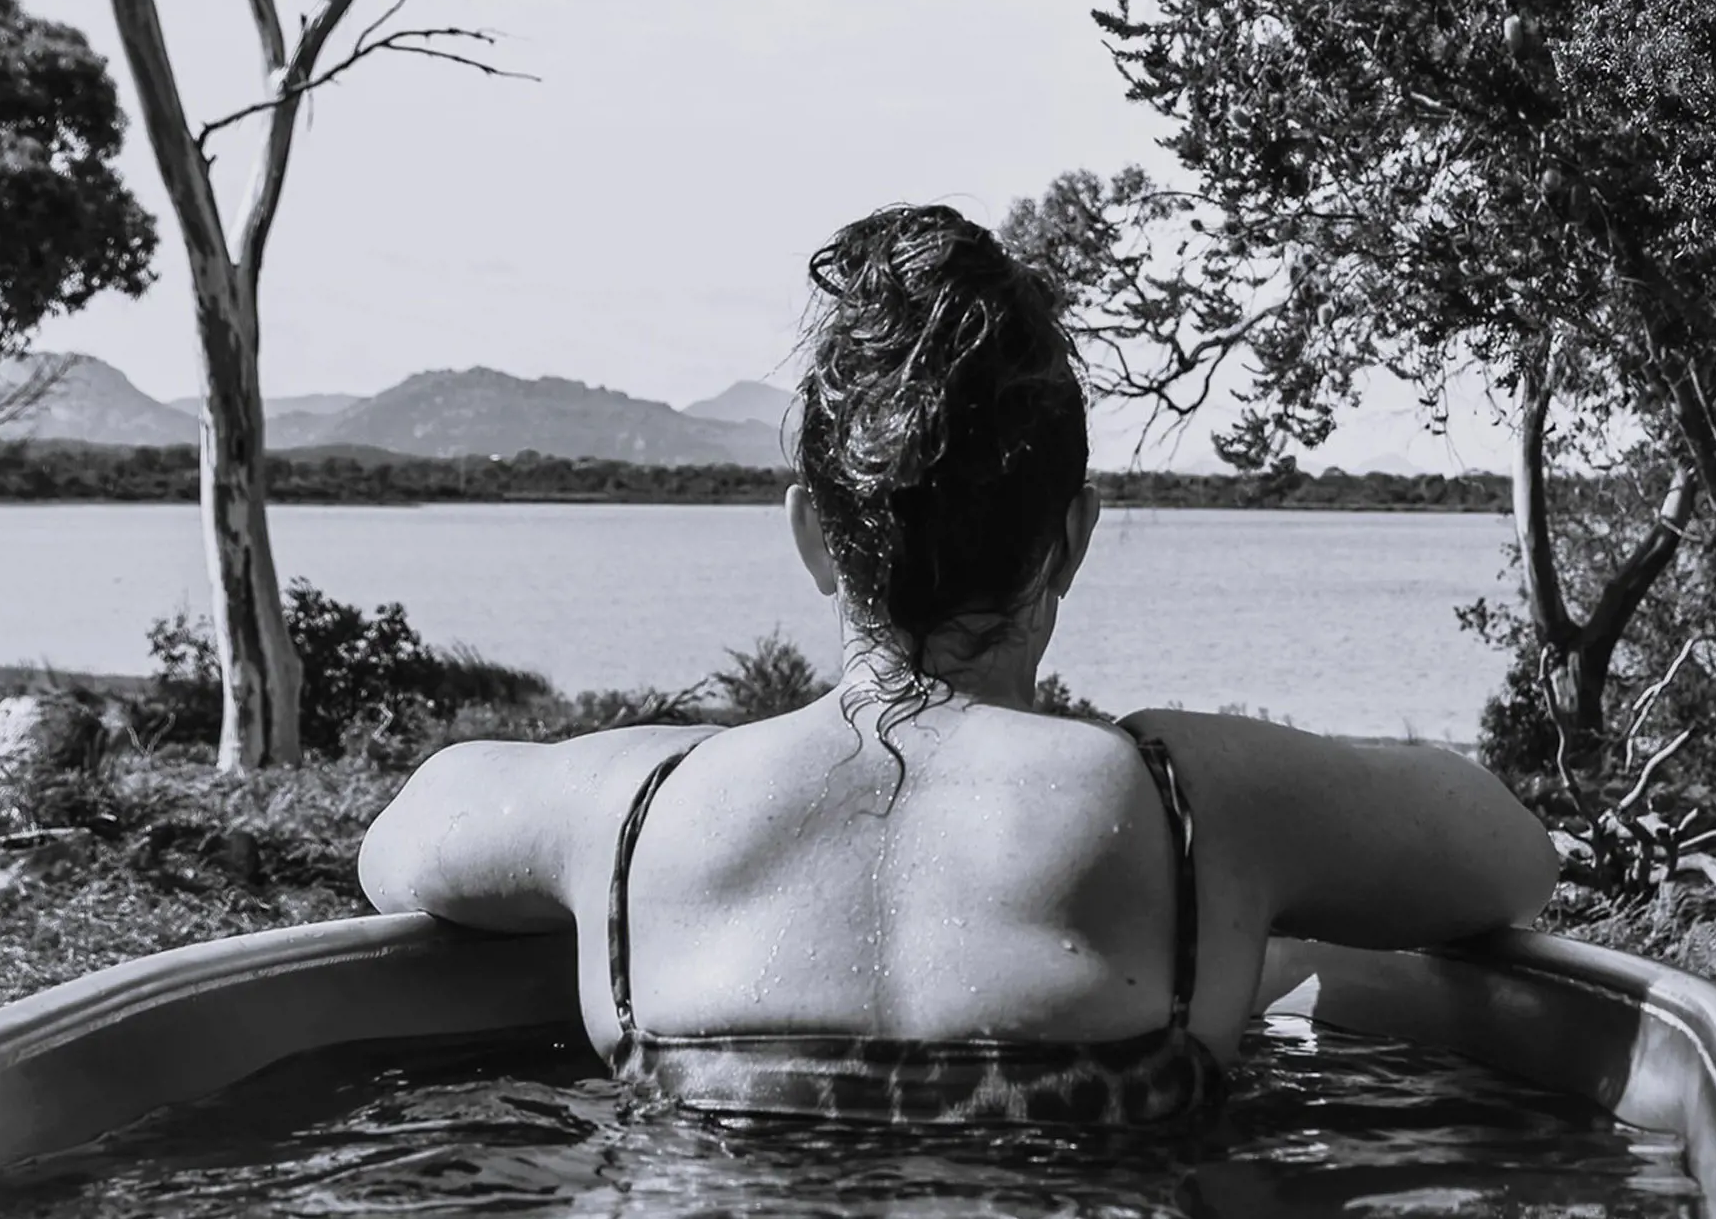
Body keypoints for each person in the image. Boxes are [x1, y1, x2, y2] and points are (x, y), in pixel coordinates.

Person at [359, 203, 1557, 1128]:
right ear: (1071, 539)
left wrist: (620, 782)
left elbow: (397, 843)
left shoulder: (636, 813)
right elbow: (1509, 858)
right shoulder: (1198, 808)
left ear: (815, 538)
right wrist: (1278, 908)